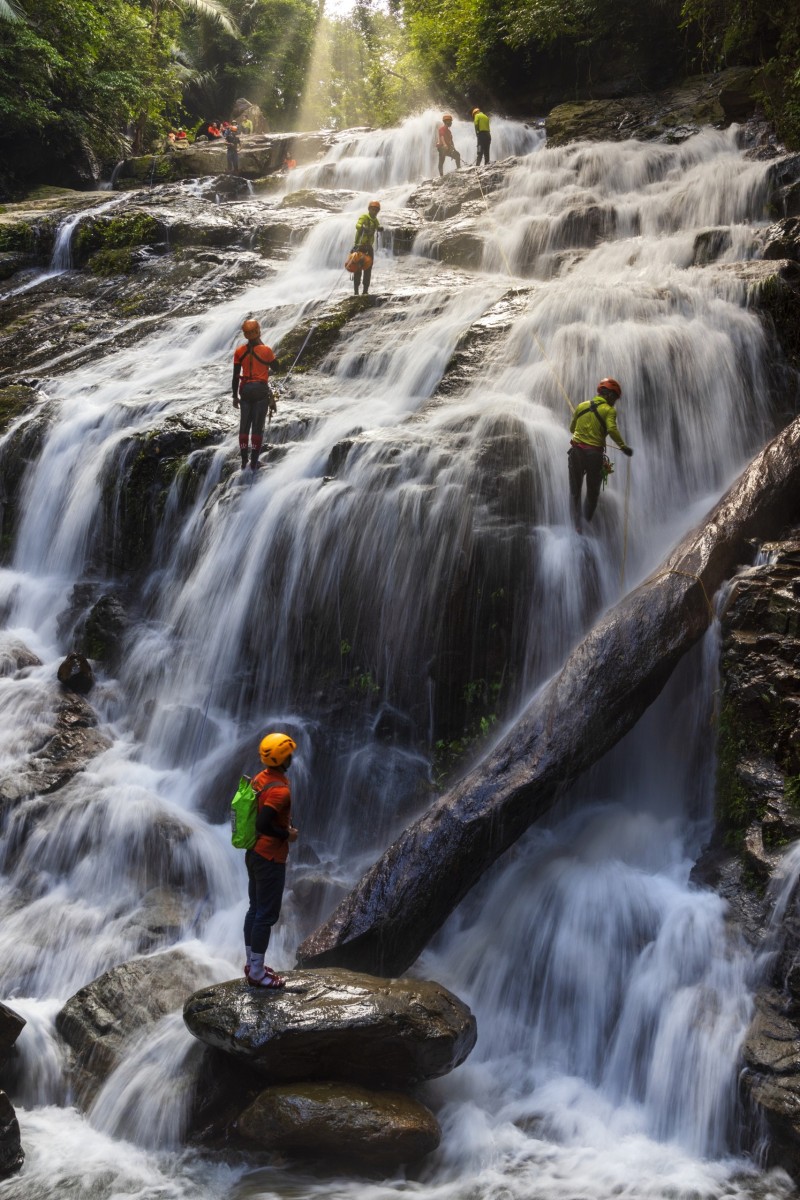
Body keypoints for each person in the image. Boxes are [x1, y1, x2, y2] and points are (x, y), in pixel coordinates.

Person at [242, 732, 298, 988]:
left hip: (253, 853)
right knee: (266, 915)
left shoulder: (260, 779)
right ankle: (257, 973)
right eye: (289, 755)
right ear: (283, 759)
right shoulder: (280, 792)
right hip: (269, 858)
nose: (292, 758)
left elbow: (261, 817)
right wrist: (287, 834)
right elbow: (265, 824)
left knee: (254, 909)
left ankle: (252, 962)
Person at [568, 377, 633, 532]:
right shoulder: (609, 410)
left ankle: (575, 525)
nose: (615, 402)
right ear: (609, 396)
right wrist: (623, 447)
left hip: (575, 452)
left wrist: (585, 429)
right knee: (592, 493)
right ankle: (585, 523)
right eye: (615, 398)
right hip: (593, 455)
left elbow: (572, 429)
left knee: (574, 490)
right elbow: (611, 429)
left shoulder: (581, 406)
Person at [232, 318, 279, 470]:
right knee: (257, 427)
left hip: (245, 390)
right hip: (260, 390)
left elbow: (235, 376)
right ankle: (254, 462)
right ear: (258, 331)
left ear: (245, 335)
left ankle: (244, 461)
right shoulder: (266, 350)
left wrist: (234, 396)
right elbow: (277, 367)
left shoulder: (239, 351)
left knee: (244, 426)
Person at [350, 200, 382, 296]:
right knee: (357, 269)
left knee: (368, 269)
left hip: (369, 248)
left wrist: (380, 228)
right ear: (369, 209)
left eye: (376, 210)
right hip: (360, 247)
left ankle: (365, 291)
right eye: (373, 209)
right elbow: (358, 225)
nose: (375, 211)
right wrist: (362, 227)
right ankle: (356, 291)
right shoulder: (364, 217)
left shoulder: (375, 221)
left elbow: (378, 226)